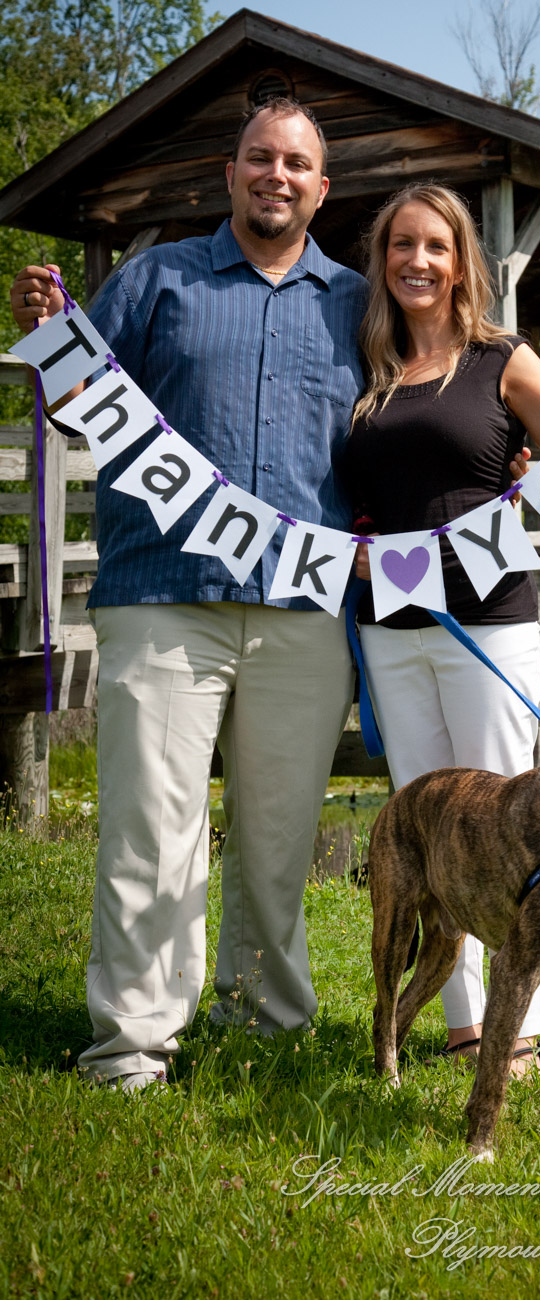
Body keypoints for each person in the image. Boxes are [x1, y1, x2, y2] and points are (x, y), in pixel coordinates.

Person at [9, 98, 368, 1089]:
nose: (277, 176)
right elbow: (75, 406)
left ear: (319, 187)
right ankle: (131, 1043)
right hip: (162, 593)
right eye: (261, 158)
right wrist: (45, 336)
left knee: (279, 834)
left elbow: (403, 426)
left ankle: (266, 1027)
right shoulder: (153, 279)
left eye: (296, 163)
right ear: (232, 172)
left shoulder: (356, 303)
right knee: (149, 826)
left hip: (301, 610)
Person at [345, 182, 540, 1073]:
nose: (416, 261)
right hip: (387, 618)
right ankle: (459, 1027)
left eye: (435, 247)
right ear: (383, 261)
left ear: (460, 264)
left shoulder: (501, 358)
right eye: (401, 245)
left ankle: (517, 1033)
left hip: (486, 616)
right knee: (433, 835)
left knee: (515, 821)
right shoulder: (368, 367)